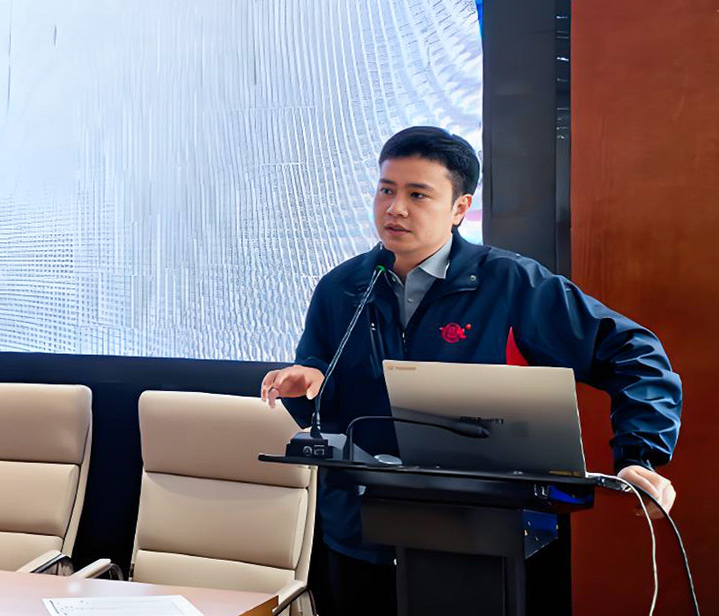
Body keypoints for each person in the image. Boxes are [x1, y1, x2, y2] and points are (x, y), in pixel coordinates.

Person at [260, 126, 681, 613]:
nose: (395, 208)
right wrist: (306, 384)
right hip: (361, 535)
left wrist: (639, 454)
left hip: (486, 536)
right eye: (386, 190)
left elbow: (634, 351)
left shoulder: (510, 282)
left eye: (418, 195)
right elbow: (324, 396)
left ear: (460, 208)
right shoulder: (342, 287)